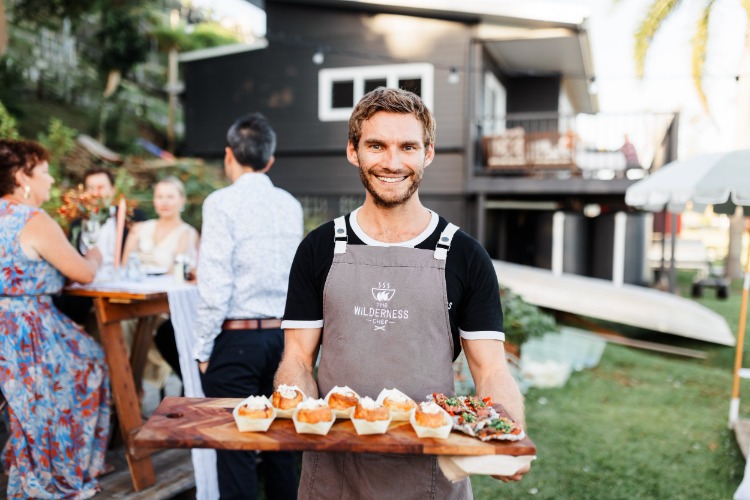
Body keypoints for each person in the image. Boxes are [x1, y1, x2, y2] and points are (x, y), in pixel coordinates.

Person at [274, 87, 529, 498]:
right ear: (353, 151)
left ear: (427, 153)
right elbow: (298, 359)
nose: (392, 163)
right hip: (333, 473)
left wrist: (509, 434)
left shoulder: (464, 255)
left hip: (429, 476)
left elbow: (491, 370)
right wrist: (297, 415)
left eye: (407, 146)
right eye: (376, 145)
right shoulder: (319, 248)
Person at [193, 112, 303, 499]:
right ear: (270, 160)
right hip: (284, 342)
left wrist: (203, 349)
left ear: (228, 155)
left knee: (235, 451)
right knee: (281, 448)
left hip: (236, 341)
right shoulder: (290, 204)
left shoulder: (221, 202)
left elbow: (215, 284)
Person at [0, 139, 111, 498]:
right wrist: (95, 255)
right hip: (26, 331)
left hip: (8, 333)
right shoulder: (32, 219)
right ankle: (65, 460)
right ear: (22, 177)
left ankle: (32, 451)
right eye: (45, 173)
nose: (51, 181)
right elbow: (83, 273)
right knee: (90, 360)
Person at [122, 176, 200, 400]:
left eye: (170, 196)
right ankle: (126, 385)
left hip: (163, 305)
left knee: (129, 322)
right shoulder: (139, 229)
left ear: (181, 200)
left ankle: (130, 385)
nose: (164, 201)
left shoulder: (187, 233)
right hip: (134, 298)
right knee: (115, 320)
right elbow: (124, 266)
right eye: (159, 196)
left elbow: (178, 272)